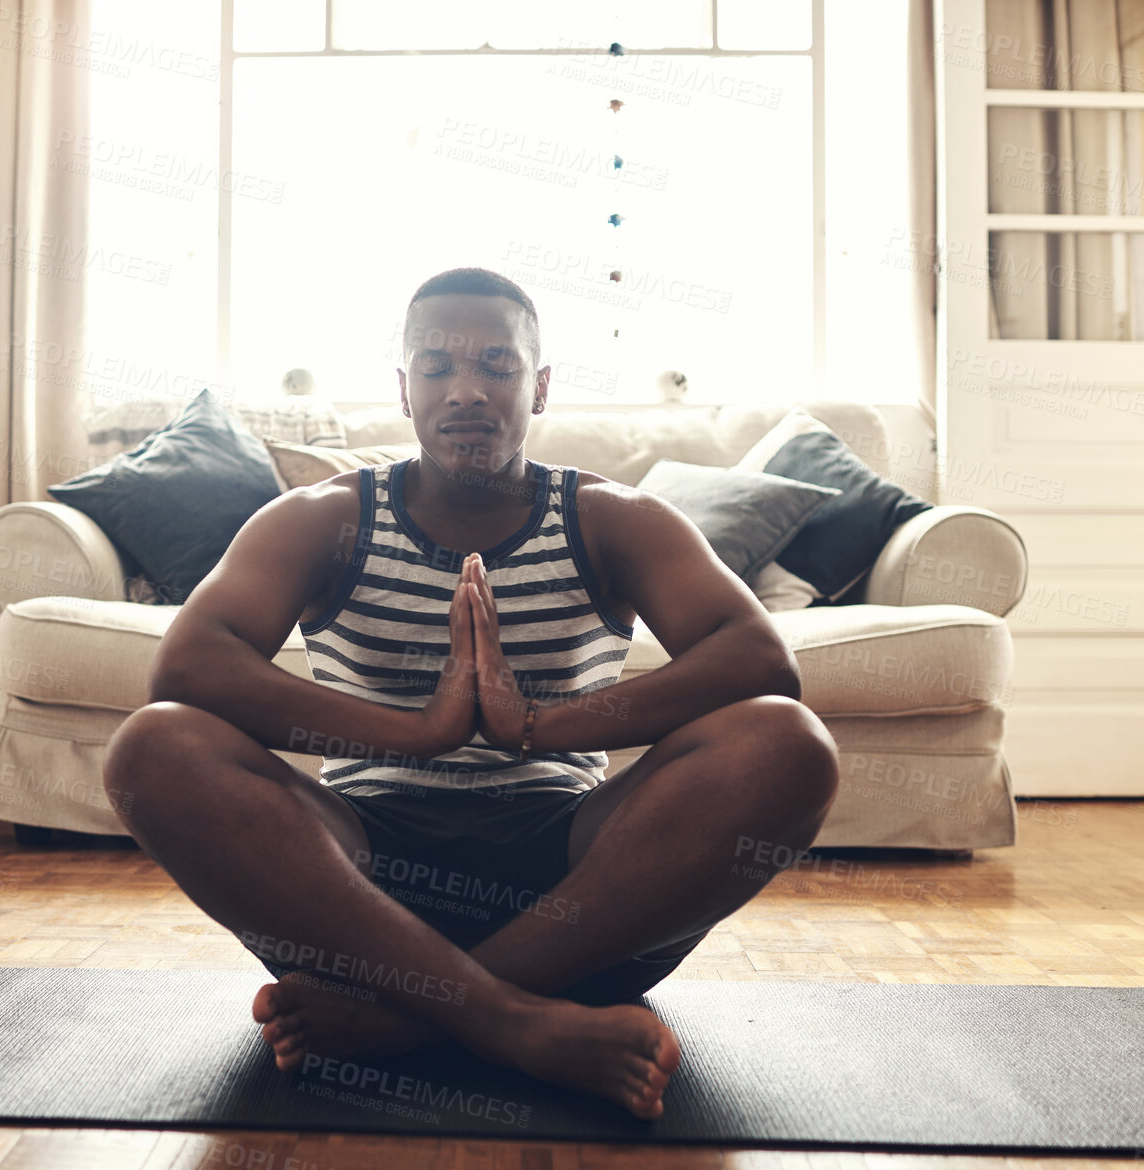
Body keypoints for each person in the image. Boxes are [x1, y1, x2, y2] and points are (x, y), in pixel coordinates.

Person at [103, 266, 840, 1120]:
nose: (465, 392)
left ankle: (415, 1020)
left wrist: (536, 727)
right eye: (435, 367)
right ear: (403, 389)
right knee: (153, 745)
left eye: (497, 364)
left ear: (540, 387)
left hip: (578, 898)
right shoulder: (318, 518)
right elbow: (188, 669)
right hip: (358, 893)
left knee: (787, 742)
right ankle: (522, 1025)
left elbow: (757, 661)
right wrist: (414, 734)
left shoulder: (611, 519)